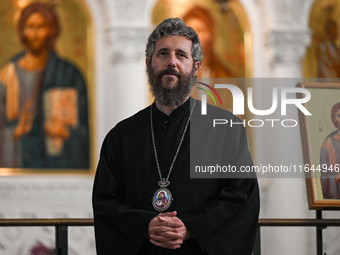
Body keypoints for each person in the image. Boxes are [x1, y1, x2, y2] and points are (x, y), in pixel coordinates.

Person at [92, 18, 259, 255]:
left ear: (196, 67)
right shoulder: (121, 136)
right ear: (148, 63)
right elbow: (105, 202)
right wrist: (145, 225)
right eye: (162, 54)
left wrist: (190, 226)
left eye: (181, 55)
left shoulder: (226, 129)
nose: (172, 62)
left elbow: (241, 196)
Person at [0, 3, 89, 168]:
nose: (34, 34)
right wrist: (15, 132)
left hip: (55, 163)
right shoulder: (8, 74)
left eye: (41, 27)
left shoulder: (68, 74)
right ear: (21, 30)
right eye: (29, 27)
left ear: (51, 31)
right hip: (20, 162)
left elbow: (87, 130)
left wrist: (66, 133)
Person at [320, 102, 340, 199]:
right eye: (339, 116)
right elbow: (325, 174)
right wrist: (336, 177)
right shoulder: (328, 143)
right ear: (334, 119)